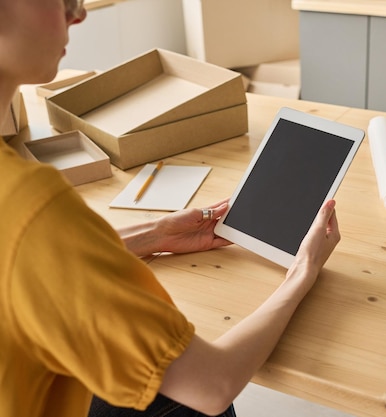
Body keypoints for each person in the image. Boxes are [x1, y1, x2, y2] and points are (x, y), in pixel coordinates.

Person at [0, 1, 342, 417]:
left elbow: (30, 265)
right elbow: (213, 384)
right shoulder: (30, 204)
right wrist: (301, 272)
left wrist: (153, 236)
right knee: (188, 401)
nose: (78, 13)